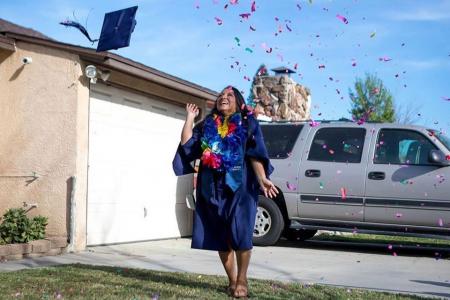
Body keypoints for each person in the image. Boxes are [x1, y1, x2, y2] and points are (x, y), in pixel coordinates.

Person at [172, 86, 278, 298]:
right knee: (222, 237)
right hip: (212, 188)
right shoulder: (207, 125)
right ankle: (231, 280)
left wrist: (262, 177)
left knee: (241, 232)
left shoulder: (247, 123)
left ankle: (242, 279)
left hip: (241, 187)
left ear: (239, 103)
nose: (223, 97)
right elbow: (187, 145)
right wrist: (190, 118)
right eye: (221, 95)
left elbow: (254, 154)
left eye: (229, 95)